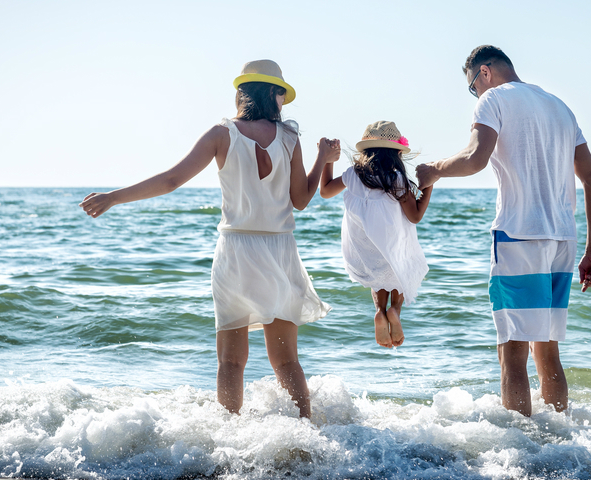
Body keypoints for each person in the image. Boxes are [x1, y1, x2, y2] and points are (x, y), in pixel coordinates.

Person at [79, 59, 337, 419]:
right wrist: (324, 159)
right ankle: (306, 437)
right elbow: (301, 200)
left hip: (234, 251)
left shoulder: (221, 134)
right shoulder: (290, 138)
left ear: (242, 93)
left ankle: (227, 440)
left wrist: (114, 197)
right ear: (275, 94)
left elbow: (171, 180)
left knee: (231, 361)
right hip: (279, 250)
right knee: (286, 360)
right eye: (281, 94)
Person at [416, 45, 591, 417]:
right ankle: (560, 444)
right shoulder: (559, 106)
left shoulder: (493, 100)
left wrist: (434, 170)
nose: (475, 94)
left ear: (484, 72)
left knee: (512, 349)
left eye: (472, 86)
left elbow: (474, 159)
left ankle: (522, 456)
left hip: (519, 234)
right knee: (546, 349)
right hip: (563, 239)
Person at [320, 121, 433, 348]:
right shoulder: (397, 180)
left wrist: (327, 161)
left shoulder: (352, 175)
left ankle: (380, 311)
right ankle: (394, 311)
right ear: (396, 154)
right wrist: (428, 186)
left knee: (377, 278)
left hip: (362, 248)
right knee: (398, 274)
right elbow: (415, 216)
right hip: (392, 246)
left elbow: (324, 191)